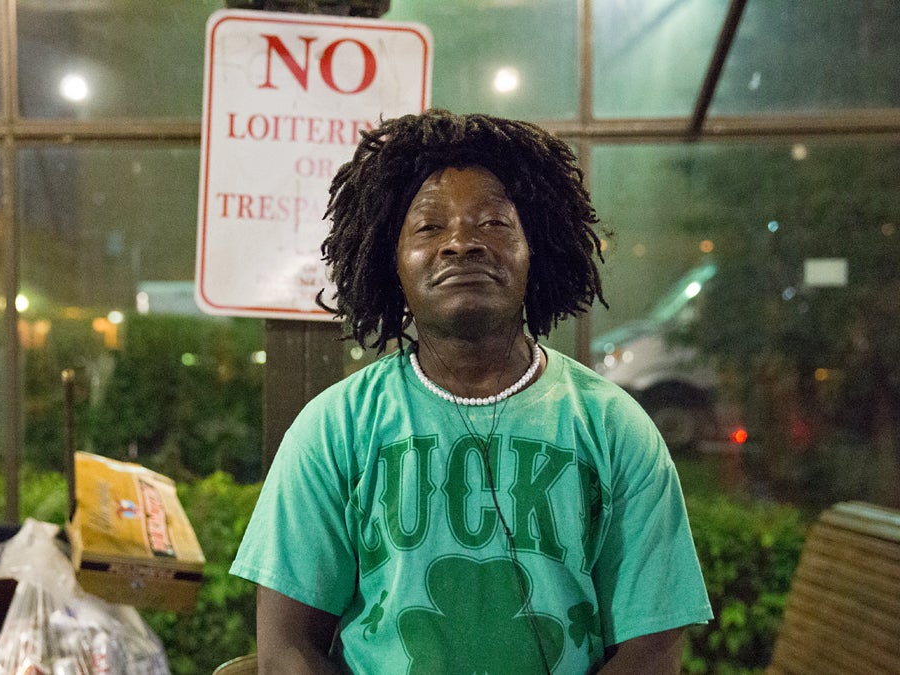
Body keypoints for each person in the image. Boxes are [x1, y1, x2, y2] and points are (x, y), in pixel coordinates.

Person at [229, 109, 712, 674]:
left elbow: (650, 649)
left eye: (493, 223)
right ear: (393, 263)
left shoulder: (614, 426)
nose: (462, 244)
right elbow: (288, 647)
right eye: (430, 227)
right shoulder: (335, 426)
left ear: (538, 250)